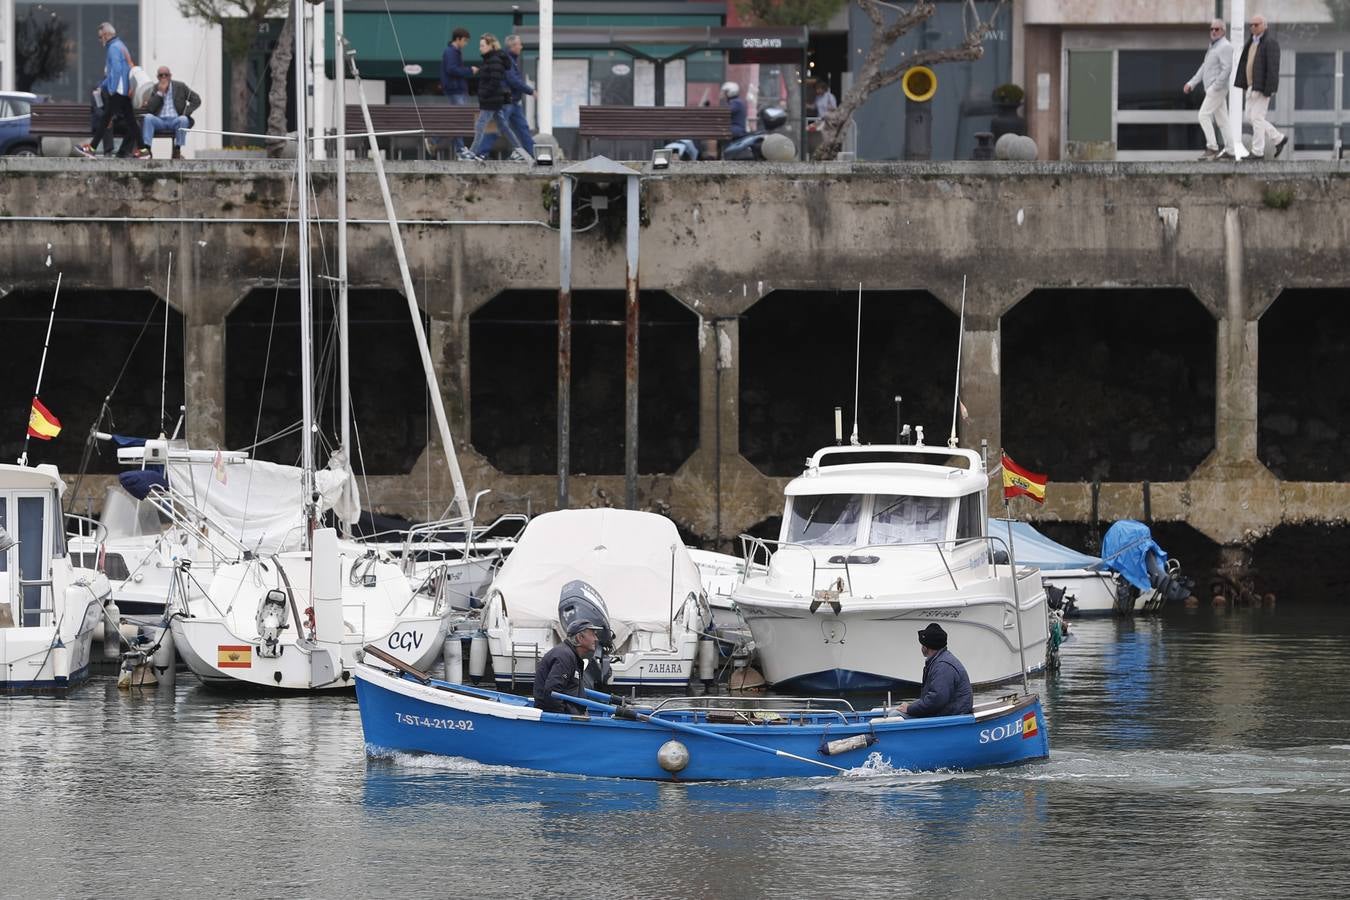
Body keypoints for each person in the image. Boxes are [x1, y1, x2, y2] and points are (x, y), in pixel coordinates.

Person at [77, 22, 144, 159]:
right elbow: (118, 71)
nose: (100, 40)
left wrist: (112, 89)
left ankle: (91, 148)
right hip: (124, 92)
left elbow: (117, 70)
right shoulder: (121, 46)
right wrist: (103, 86)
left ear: (106, 35)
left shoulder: (113, 48)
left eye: (100, 37)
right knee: (130, 122)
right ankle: (144, 151)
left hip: (118, 91)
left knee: (106, 119)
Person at [465, 34, 528, 162]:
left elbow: (495, 80)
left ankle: (472, 153)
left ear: (491, 46)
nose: (480, 48)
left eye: (482, 46)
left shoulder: (494, 60)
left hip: (491, 100)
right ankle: (520, 150)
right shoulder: (492, 59)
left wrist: (484, 94)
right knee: (504, 127)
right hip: (493, 99)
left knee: (480, 125)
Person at [1235, 15, 1287, 160]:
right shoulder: (1252, 42)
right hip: (1252, 86)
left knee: (1257, 118)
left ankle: (1258, 152)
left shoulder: (1270, 43)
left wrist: (1269, 89)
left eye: (1256, 25)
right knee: (1250, 117)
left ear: (1265, 25)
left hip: (1262, 88)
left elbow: (1273, 68)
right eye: (1251, 25)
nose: (1253, 27)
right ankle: (1278, 138)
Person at [897, 623, 973, 718]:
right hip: (945, 713)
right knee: (896, 712)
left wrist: (909, 709)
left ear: (926, 647)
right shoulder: (940, 660)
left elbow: (937, 699)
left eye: (922, 644)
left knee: (895, 715)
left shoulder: (943, 666)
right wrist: (912, 707)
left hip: (950, 717)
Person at [1183, 19, 1233, 161]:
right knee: (1223, 120)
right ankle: (1230, 150)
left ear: (1223, 31)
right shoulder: (1213, 46)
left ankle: (1212, 147)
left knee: (1203, 115)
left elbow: (1227, 68)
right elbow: (1205, 67)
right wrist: (1192, 83)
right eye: (1211, 29)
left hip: (1217, 89)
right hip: (1214, 88)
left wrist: (1215, 86)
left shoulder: (1225, 46)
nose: (1213, 31)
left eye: (1217, 29)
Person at [533, 619, 599, 714]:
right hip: (556, 719)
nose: (596, 639)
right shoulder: (565, 656)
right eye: (593, 634)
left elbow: (570, 688)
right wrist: (565, 717)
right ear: (580, 637)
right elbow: (552, 692)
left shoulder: (570, 655)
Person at [141, 67, 201, 160]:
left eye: (166, 75)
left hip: (175, 120)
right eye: (161, 75)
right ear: (158, 77)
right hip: (160, 121)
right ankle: (147, 150)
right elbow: (150, 109)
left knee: (183, 119)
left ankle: (177, 150)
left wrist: (186, 112)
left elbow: (196, 100)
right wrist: (160, 93)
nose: (164, 77)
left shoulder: (180, 86)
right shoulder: (154, 88)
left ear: (170, 76)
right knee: (148, 118)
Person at [491, 34, 535, 159]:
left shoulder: (511, 59)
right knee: (498, 128)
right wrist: (530, 91)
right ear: (513, 46)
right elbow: (512, 80)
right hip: (507, 99)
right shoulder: (507, 59)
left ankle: (531, 153)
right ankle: (478, 152)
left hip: (514, 100)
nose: (521, 47)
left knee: (523, 128)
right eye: (519, 44)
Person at [439, 27, 477, 158]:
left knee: (456, 119)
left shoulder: (453, 52)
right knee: (457, 119)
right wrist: (469, 71)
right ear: (458, 39)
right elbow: (452, 69)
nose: (465, 44)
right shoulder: (451, 52)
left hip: (456, 89)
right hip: (455, 89)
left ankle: (459, 148)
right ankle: (458, 148)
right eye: (465, 41)